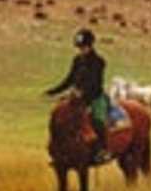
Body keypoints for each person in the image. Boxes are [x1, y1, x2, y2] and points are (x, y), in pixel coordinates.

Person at [45, 29, 111, 163]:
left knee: (98, 119)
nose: (81, 50)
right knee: (60, 116)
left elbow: (96, 83)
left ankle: (102, 150)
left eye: (84, 47)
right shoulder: (77, 60)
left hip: (95, 97)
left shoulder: (99, 61)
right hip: (77, 97)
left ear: (90, 46)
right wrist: (53, 91)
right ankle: (59, 150)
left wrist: (82, 92)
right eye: (79, 47)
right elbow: (69, 79)